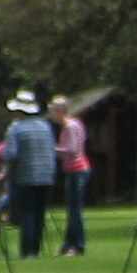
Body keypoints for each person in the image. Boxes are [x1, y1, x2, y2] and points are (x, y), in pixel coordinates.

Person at [0, 89, 56, 259]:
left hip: (25, 177)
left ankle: (27, 250)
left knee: (27, 214)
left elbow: (11, 154)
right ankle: (36, 248)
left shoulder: (15, 128)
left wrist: (5, 171)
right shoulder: (45, 126)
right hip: (46, 176)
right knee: (39, 213)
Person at [49, 96, 89, 258]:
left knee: (75, 210)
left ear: (60, 111)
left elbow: (72, 150)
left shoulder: (70, 127)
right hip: (73, 170)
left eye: (53, 111)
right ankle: (68, 244)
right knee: (71, 209)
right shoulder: (73, 125)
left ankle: (78, 245)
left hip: (77, 169)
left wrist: (54, 149)